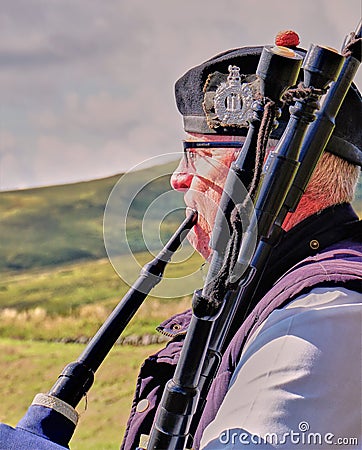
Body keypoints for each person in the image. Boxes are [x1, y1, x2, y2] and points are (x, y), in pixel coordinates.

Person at [121, 30, 361, 449]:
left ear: (260, 170)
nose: (178, 177)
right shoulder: (275, 292)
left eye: (196, 153)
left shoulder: (319, 316)